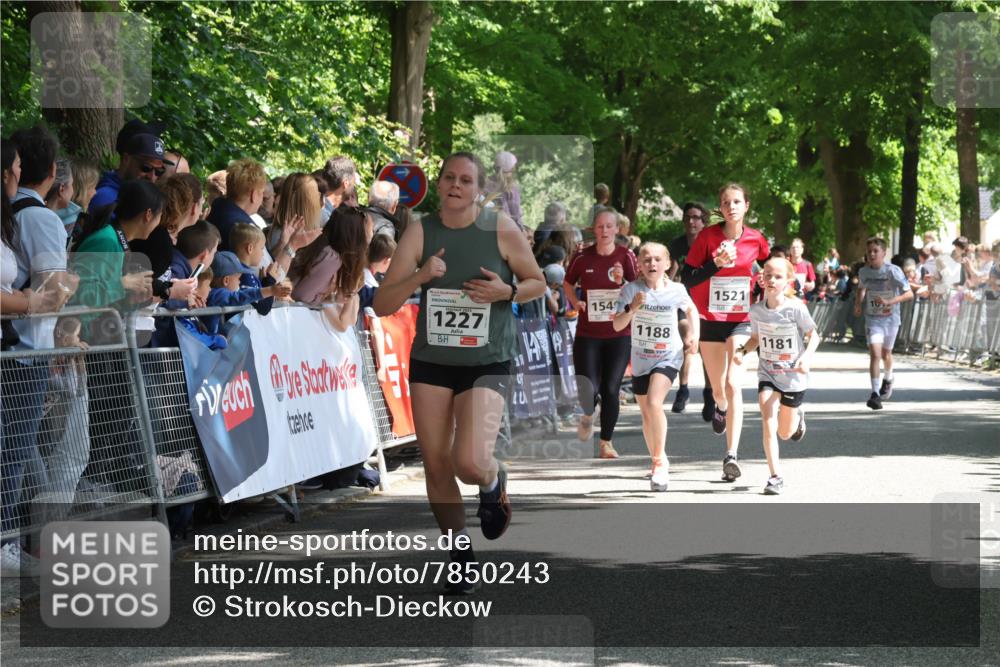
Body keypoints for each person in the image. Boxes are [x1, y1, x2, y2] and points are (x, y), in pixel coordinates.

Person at [373, 152, 545, 593]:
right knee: (436, 463)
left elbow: (538, 283)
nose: (455, 185)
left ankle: (491, 478)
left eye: (466, 180)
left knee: (467, 462)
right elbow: (383, 303)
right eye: (449, 177)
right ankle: (460, 556)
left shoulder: (499, 228)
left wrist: (506, 291)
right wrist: (420, 276)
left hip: (487, 360)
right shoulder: (420, 231)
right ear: (439, 183)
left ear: (479, 190)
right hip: (433, 360)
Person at [682, 183, 769, 482]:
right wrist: (714, 264)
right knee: (719, 390)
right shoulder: (707, 237)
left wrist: (764, 282)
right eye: (726, 202)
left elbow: (770, 267)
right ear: (720, 208)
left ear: (746, 206)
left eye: (736, 202)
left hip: (741, 321)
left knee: (734, 383)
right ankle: (720, 407)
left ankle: (731, 455)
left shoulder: (756, 239)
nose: (731, 207)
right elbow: (688, 278)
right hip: (710, 319)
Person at [612, 243, 698, 491]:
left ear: (667, 264)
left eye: (658, 259)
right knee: (647, 414)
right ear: (639, 264)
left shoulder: (676, 290)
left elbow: (691, 310)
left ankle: (659, 464)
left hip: (668, 356)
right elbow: (617, 325)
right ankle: (658, 458)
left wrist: (694, 335)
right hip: (641, 359)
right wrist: (632, 308)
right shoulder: (631, 290)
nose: (652, 264)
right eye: (647, 260)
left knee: (653, 403)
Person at [733, 257, 819, 495]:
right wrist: (742, 352)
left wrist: (806, 358)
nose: (772, 280)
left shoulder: (795, 308)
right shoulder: (756, 311)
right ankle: (775, 476)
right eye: (768, 275)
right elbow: (755, 338)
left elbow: (814, 336)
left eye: (778, 276)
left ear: (788, 280)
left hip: (792, 376)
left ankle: (797, 417)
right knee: (767, 417)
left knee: (785, 433)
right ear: (762, 279)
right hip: (768, 372)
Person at [564, 206, 639, 459]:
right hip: (588, 334)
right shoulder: (582, 257)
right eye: (600, 226)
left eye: (609, 226)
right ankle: (587, 415)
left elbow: (638, 288)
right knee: (588, 389)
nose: (604, 231)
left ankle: (606, 442)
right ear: (593, 230)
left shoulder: (626, 256)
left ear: (617, 229)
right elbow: (567, 283)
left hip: (619, 333)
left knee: (610, 389)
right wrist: (575, 302)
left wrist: (622, 282)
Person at [853, 236, 913, 410]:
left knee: (886, 354)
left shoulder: (893, 271)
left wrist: (890, 302)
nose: (872, 254)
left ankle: (888, 378)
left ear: (883, 253)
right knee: (875, 354)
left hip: (891, 319)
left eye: (875, 251)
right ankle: (875, 393)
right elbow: (861, 289)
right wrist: (858, 304)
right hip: (873, 319)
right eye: (869, 251)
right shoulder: (864, 272)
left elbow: (909, 294)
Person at [667, 202, 711, 416]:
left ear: (704, 221)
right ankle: (683, 390)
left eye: (696, 218)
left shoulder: (711, 244)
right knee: (687, 343)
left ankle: (709, 394)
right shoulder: (677, 245)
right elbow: (670, 271)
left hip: (708, 303)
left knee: (706, 349)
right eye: (687, 218)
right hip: (684, 300)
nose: (691, 222)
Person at [89, 132, 172, 212]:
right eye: (146, 167)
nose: (152, 176)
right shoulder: (106, 197)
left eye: (158, 171)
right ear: (126, 159)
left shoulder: (136, 195)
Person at [206, 158, 268, 251]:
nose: (262, 199)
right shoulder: (246, 230)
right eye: (262, 192)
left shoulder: (217, 207)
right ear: (254, 195)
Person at [483, 151, 522, 228]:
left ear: (494, 167)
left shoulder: (484, 183)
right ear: (511, 169)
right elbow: (516, 215)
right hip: (507, 229)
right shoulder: (512, 187)